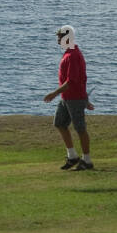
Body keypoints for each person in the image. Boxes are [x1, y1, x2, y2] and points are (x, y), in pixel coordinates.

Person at [43, 25, 95, 171]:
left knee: (80, 128)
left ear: (67, 38)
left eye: (60, 38)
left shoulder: (73, 56)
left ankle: (87, 160)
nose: (58, 41)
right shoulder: (69, 53)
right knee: (59, 123)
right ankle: (72, 156)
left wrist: (54, 93)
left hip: (74, 98)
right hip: (67, 97)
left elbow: (71, 81)